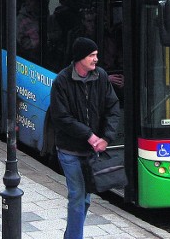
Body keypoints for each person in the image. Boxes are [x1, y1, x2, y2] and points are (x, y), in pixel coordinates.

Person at [49, 37, 120, 239]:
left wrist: (106, 137)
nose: (96, 59)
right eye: (92, 55)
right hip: (69, 151)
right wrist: (89, 135)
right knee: (78, 197)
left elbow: (112, 108)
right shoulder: (62, 81)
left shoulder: (101, 77)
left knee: (86, 199)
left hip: (91, 153)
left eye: (96, 55)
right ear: (80, 58)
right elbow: (61, 117)